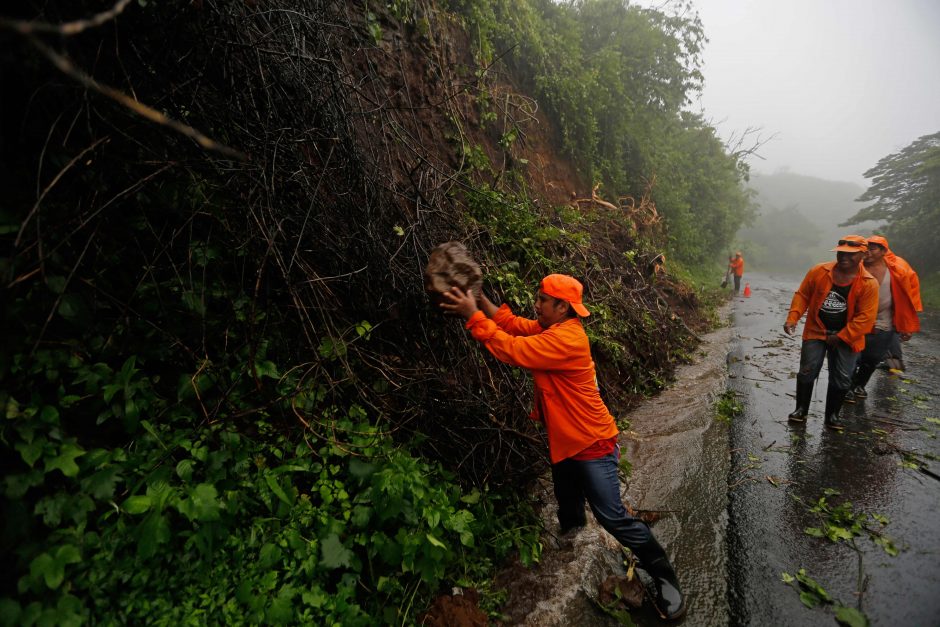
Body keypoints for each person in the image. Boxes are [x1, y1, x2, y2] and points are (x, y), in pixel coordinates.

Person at [439, 274, 685, 620]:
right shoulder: (551, 330)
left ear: (562, 307)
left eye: (542, 300)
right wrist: (481, 302)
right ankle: (570, 553)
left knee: (613, 518)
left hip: (592, 444)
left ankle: (666, 578)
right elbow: (514, 325)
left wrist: (471, 315)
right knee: (569, 510)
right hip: (565, 443)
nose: (536, 304)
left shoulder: (568, 340)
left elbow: (513, 350)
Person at [783, 235, 878, 430]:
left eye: (850, 255)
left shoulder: (869, 283)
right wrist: (793, 317)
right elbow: (803, 295)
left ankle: (832, 415)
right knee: (807, 370)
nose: (844, 257)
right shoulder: (819, 271)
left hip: (847, 336)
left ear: (863, 255)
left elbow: (866, 318)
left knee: (842, 377)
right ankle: (801, 410)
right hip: (816, 331)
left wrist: (841, 336)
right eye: (841, 253)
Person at [845, 235, 922, 401]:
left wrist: (906, 325)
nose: (868, 253)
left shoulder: (897, 270)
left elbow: (910, 295)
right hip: (856, 321)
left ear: (883, 252)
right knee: (852, 357)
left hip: (884, 322)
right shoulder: (855, 267)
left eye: (872, 249)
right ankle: (847, 387)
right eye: (865, 249)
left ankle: (859, 385)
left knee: (872, 359)